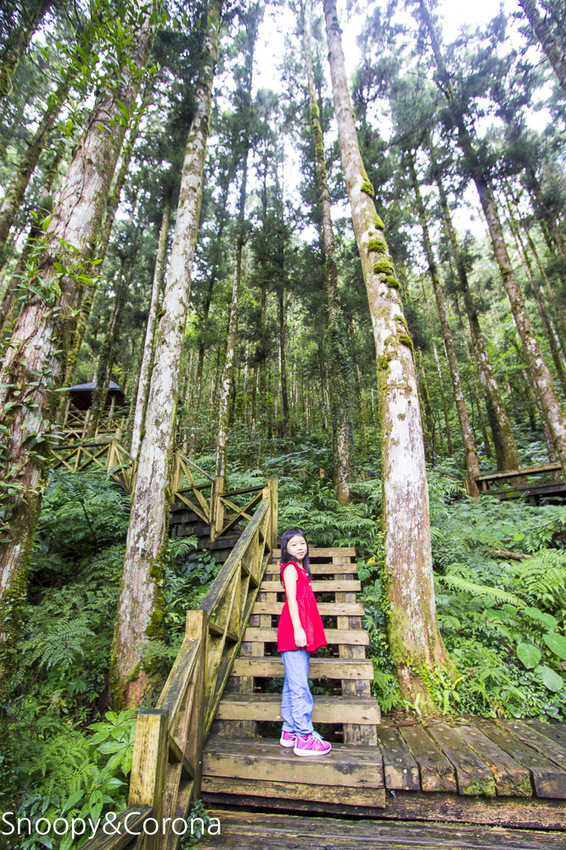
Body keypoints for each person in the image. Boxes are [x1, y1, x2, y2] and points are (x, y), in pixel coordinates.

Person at [277, 528, 332, 756]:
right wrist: (299, 629)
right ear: (286, 549)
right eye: (294, 544)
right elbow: (290, 599)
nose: (300, 547)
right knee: (300, 687)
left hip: (299, 630)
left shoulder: (301, 569)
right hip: (293, 631)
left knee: (292, 684)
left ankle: (289, 732)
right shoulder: (290, 569)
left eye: (302, 543)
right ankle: (304, 738)